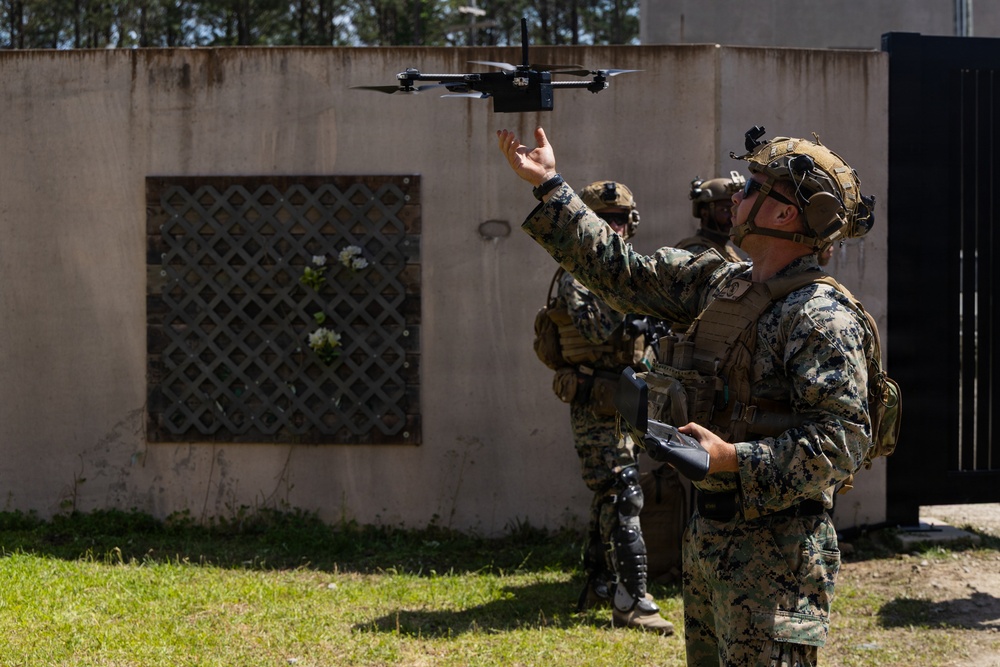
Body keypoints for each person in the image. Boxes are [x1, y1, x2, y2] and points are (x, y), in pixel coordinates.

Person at [497, 125, 878, 665]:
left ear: (784, 213)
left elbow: (841, 442)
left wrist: (731, 459)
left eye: (750, 187)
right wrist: (551, 187)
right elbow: (622, 276)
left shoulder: (820, 319)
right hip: (711, 538)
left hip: (777, 557)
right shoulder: (721, 284)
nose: (736, 197)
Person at [548, 180, 673, 635]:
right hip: (596, 403)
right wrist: (633, 312)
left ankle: (601, 580)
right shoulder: (577, 273)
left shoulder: (629, 272)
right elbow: (597, 330)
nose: (613, 227)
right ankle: (633, 601)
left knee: (612, 491)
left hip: (631, 400)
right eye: (604, 220)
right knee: (623, 491)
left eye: (620, 219)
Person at [681, 173, 747, 261]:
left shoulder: (727, 251)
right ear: (705, 213)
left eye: (736, 209)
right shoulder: (697, 253)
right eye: (724, 210)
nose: (732, 216)